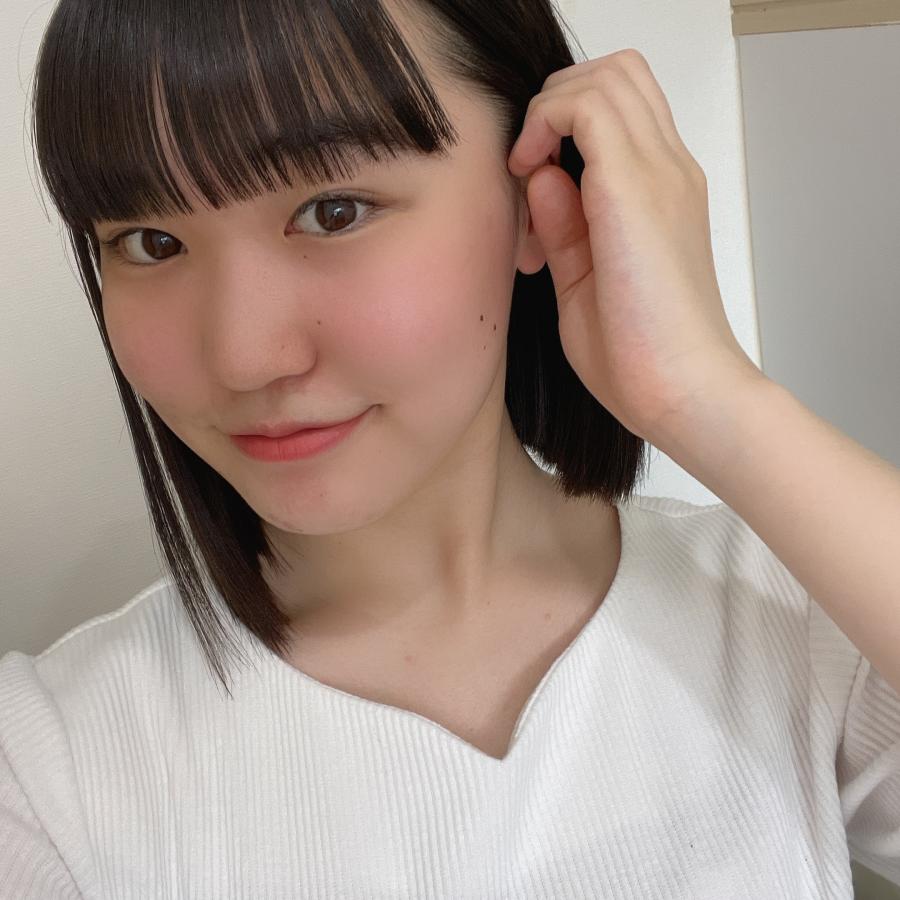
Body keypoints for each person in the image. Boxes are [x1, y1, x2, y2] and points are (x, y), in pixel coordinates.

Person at [2, 0, 898, 897]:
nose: (243, 357)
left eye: (334, 211)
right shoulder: (45, 775)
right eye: (150, 242)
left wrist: (709, 397)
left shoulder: (799, 613)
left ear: (535, 201)